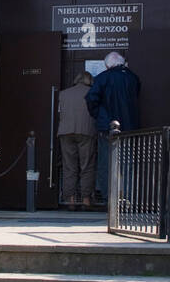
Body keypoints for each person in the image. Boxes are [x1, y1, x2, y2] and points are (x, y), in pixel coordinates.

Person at [87, 51, 141, 205]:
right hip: (129, 126)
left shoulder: (103, 78)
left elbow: (91, 98)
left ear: (108, 65)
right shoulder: (133, 78)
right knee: (128, 163)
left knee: (107, 162)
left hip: (107, 126)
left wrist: (99, 115)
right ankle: (129, 197)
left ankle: (108, 197)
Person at [56, 72, 95, 210]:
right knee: (86, 165)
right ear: (89, 80)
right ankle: (85, 200)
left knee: (69, 166)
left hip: (66, 132)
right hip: (86, 131)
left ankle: (70, 200)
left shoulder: (63, 94)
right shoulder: (92, 92)